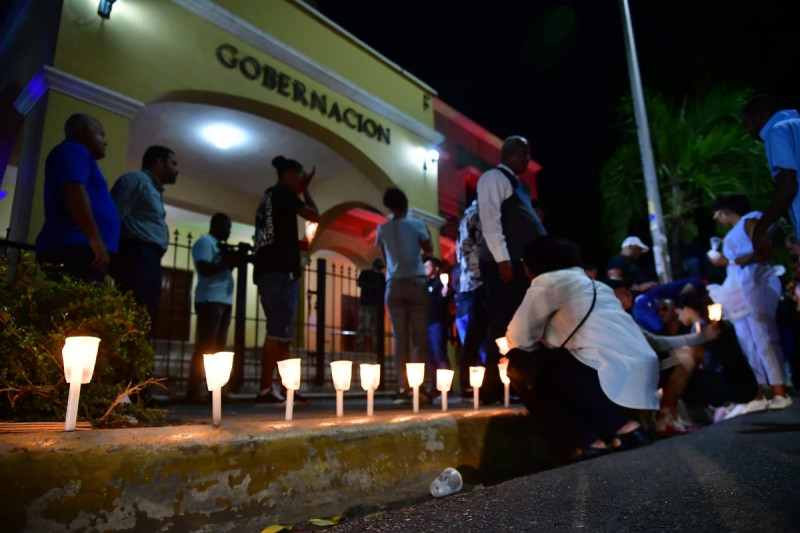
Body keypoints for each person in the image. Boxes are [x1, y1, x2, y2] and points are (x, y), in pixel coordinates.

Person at [505, 236, 657, 462]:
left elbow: (518, 337)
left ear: (531, 265)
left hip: (606, 374)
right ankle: (626, 430)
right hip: (642, 372)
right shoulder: (595, 285)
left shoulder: (549, 282)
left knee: (519, 367)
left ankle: (588, 441)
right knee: (563, 363)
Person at [477, 135, 547, 403]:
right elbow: (491, 220)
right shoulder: (494, 178)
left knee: (515, 325)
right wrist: (503, 260)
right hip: (503, 264)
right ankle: (493, 388)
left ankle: (510, 384)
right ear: (512, 153)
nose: (528, 160)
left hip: (518, 264)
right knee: (504, 325)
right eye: (525, 154)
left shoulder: (518, 185)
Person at [707, 193, 791, 409]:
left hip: (758, 281)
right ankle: (760, 392)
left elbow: (762, 248)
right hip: (740, 288)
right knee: (747, 341)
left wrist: (740, 259)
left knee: (764, 335)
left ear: (726, 211)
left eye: (718, 215)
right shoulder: (730, 236)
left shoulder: (751, 219)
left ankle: (779, 389)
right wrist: (724, 261)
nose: (718, 221)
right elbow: (734, 261)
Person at [253, 156, 319, 403]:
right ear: (293, 175)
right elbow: (315, 216)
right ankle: (265, 389)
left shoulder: (267, 197)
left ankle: (285, 386)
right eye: (299, 177)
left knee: (282, 333)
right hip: (280, 271)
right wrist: (307, 189)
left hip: (268, 269)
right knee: (277, 332)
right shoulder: (284, 192)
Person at [36, 113, 120, 282]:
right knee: (75, 305)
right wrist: (95, 239)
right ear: (85, 131)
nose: (105, 141)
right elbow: (73, 190)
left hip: (82, 247)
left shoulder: (79, 155)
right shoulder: (73, 149)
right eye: (101, 134)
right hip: (75, 246)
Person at [375, 187, 432, 404]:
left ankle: (403, 388)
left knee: (400, 339)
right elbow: (429, 250)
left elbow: (384, 256)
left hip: (394, 284)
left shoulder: (382, 229)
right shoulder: (417, 225)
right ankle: (420, 388)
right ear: (406, 205)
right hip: (416, 282)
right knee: (419, 338)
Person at [110, 145, 178, 324]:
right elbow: (114, 216)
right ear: (159, 162)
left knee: (146, 314)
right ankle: (125, 351)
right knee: (132, 312)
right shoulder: (135, 180)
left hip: (149, 258)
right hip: (135, 255)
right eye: (173, 163)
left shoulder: (153, 190)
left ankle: (138, 351)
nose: (176, 169)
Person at [186, 213, 248, 400]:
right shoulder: (205, 242)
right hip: (210, 300)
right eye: (226, 227)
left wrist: (233, 260)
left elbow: (223, 268)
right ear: (216, 225)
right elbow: (205, 268)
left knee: (219, 349)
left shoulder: (218, 246)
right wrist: (231, 261)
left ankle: (215, 390)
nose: (229, 231)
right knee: (206, 346)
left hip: (223, 301)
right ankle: (194, 389)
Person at [673, 291, 760, 421]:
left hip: (731, 381)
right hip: (737, 380)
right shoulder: (706, 324)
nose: (679, 318)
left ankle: (724, 403)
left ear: (686, 309)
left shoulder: (704, 327)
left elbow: (697, 357)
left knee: (688, 379)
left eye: (678, 313)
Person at [740, 95, 800, 260]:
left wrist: (760, 230)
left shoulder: (777, 131)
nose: (749, 132)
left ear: (759, 116)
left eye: (747, 124)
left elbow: (788, 185)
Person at [455, 198, 489, 397]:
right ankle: (469, 384)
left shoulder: (471, 213)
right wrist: (483, 274)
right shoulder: (477, 213)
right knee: (476, 333)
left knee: (477, 334)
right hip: (478, 281)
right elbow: (470, 247)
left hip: (472, 280)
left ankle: (472, 383)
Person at [424, 257, 452, 394]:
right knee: (430, 356)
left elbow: (443, 301)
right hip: (427, 323)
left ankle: (446, 387)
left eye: (428, 266)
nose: (425, 269)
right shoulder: (426, 283)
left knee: (439, 353)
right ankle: (435, 387)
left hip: (437, 322)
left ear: (435, 268)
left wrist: (445, 294)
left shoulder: (440, 283)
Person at [354, 258, 386, 352]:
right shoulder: (370, 274)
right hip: (369, 304)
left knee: (373, 329)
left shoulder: (380, 276)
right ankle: (361, 348)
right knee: (364, 327)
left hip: (373, 305)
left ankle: (374, 349)